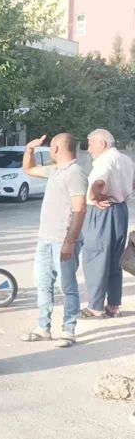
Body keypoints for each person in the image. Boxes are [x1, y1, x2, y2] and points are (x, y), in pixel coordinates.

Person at [16, 134, 87, 348]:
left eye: (50, 147)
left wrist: (70, 241)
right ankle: (43, 328)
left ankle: (68, 330)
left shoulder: (75, 173)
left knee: (67, 286)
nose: (48, 151)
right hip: (45, 239)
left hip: (62, 240)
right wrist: (29, 150)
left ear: (56, 148)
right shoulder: (55, 170)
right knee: (43, 285)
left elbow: (79, 209)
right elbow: (29, 169)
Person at [80, 128, 135, 319]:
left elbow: (98, 182)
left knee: (96, 257)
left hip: (102, 211)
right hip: (120, 210)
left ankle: (95, 308)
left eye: (90, 144)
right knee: (114, 260)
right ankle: (113, 306)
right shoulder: (125, 159)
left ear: (102, 143)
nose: (88, 149)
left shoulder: (105, 160)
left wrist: (94, 196)